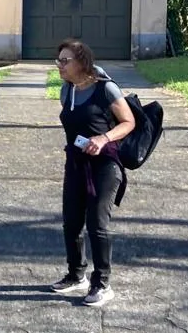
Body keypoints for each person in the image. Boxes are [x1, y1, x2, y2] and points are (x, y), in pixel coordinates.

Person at [52, 39, 134, 306]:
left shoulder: (105, 88)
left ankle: (102, 283)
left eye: (66, 61)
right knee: (71, 222)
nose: (60, 66)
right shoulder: (67, 91)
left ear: (82, 62)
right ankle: (77, 275)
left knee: (97, 224)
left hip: (105, 165)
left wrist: (103, 138)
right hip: (76, 163)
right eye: (58, 60)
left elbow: (128, 122)